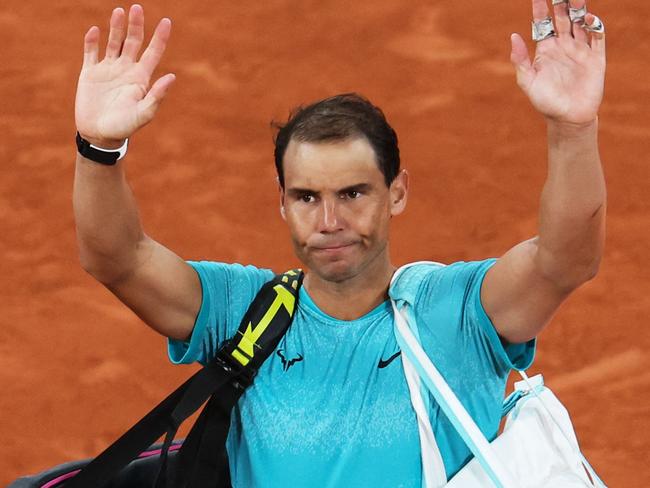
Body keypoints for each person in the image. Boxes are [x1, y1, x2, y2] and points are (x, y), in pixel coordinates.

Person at [73, 0, 606, 486]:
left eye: (352, 193)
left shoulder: (456, 315)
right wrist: (100, 147)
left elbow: (564, 260)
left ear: (396, 192)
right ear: (282, 202)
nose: (329, 220)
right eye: (307, 197)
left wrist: (573, 130)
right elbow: (118, 259)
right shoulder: (243, 314)